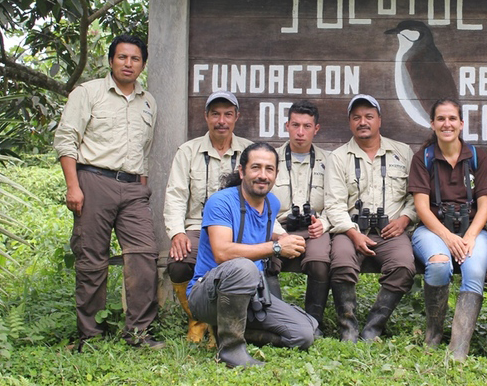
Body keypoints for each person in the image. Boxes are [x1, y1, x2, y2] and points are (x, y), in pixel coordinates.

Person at [53, 34, 163, 349]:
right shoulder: (88, 93)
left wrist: (142, 186)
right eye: (122, 57)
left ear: (143, 63)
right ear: (111, 60)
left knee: (144, 255)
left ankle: (139, 333)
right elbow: (67, 140)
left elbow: (145, 148)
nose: (128, 64)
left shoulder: (148, 102)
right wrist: (73, 186)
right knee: (91, 260)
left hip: (132, 188)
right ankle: (90, 336)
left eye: (135, 59)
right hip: (93, 181)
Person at [187, 143, 318, 368]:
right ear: (242, 171)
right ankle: (231, 351)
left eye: (269, 169)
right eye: (256, 167)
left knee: (304, 334)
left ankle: (230, 331)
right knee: (243, 267)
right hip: (208, 295)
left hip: (250, 295)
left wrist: (283, 238)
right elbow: (222, 252)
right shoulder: (221, 202)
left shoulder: (271, 204)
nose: (262, 175)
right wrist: (276, 248)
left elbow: (254, 231)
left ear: (276, 174)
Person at [324, 94, 417, 342]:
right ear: (350, 123)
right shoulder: (338, 157)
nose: (362, 122)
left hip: (392, 231)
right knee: (341, 262)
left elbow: (416, 196)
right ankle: (348, 327)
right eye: (356, 117)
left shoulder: (402, 153)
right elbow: (333, 204)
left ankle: (374, 326)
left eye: (368, 116)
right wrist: (353, 233)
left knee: (403, 265)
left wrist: (405, 220)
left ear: (379, 120)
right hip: (350, 229)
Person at [409, 98, 487, 360]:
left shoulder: (478, 156)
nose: (447, 124)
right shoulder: (423, 158)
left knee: (474, 269)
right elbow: (422, 208)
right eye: (441, 119)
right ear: (432, 124)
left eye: (452, 119)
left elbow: (485, 205)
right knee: (438, 264)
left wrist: (468, 237)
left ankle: (459, 347)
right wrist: (447, 238)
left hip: (473, 230)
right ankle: (433, 335)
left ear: (460, 123)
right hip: (433, 230)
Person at [163, 90, 252, 345]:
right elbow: (176, 194)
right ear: (206, 117)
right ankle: (198, 320)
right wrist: (177, 232)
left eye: (227, 114)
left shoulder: (248, 151)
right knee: (178, 264)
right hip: (196, 227)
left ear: (236, 117)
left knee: (241, 266)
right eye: (215, 114)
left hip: (238, 230)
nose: (221, 120)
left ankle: (223, 324)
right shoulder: (188, 151)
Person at [267, 100, 331, 330]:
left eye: (307, 126)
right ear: (287, 126)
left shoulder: (330, 161)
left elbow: (337, 203)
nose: (300, 132)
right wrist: (279, 234)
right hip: (277, 227)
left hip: (314, 228)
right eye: (295, 125)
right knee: (266, 260)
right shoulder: (270, 160)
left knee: (320, 262)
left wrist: (323, 223)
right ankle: (277, 320)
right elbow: (260, 205)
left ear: (317, 128)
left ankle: (314, 323)